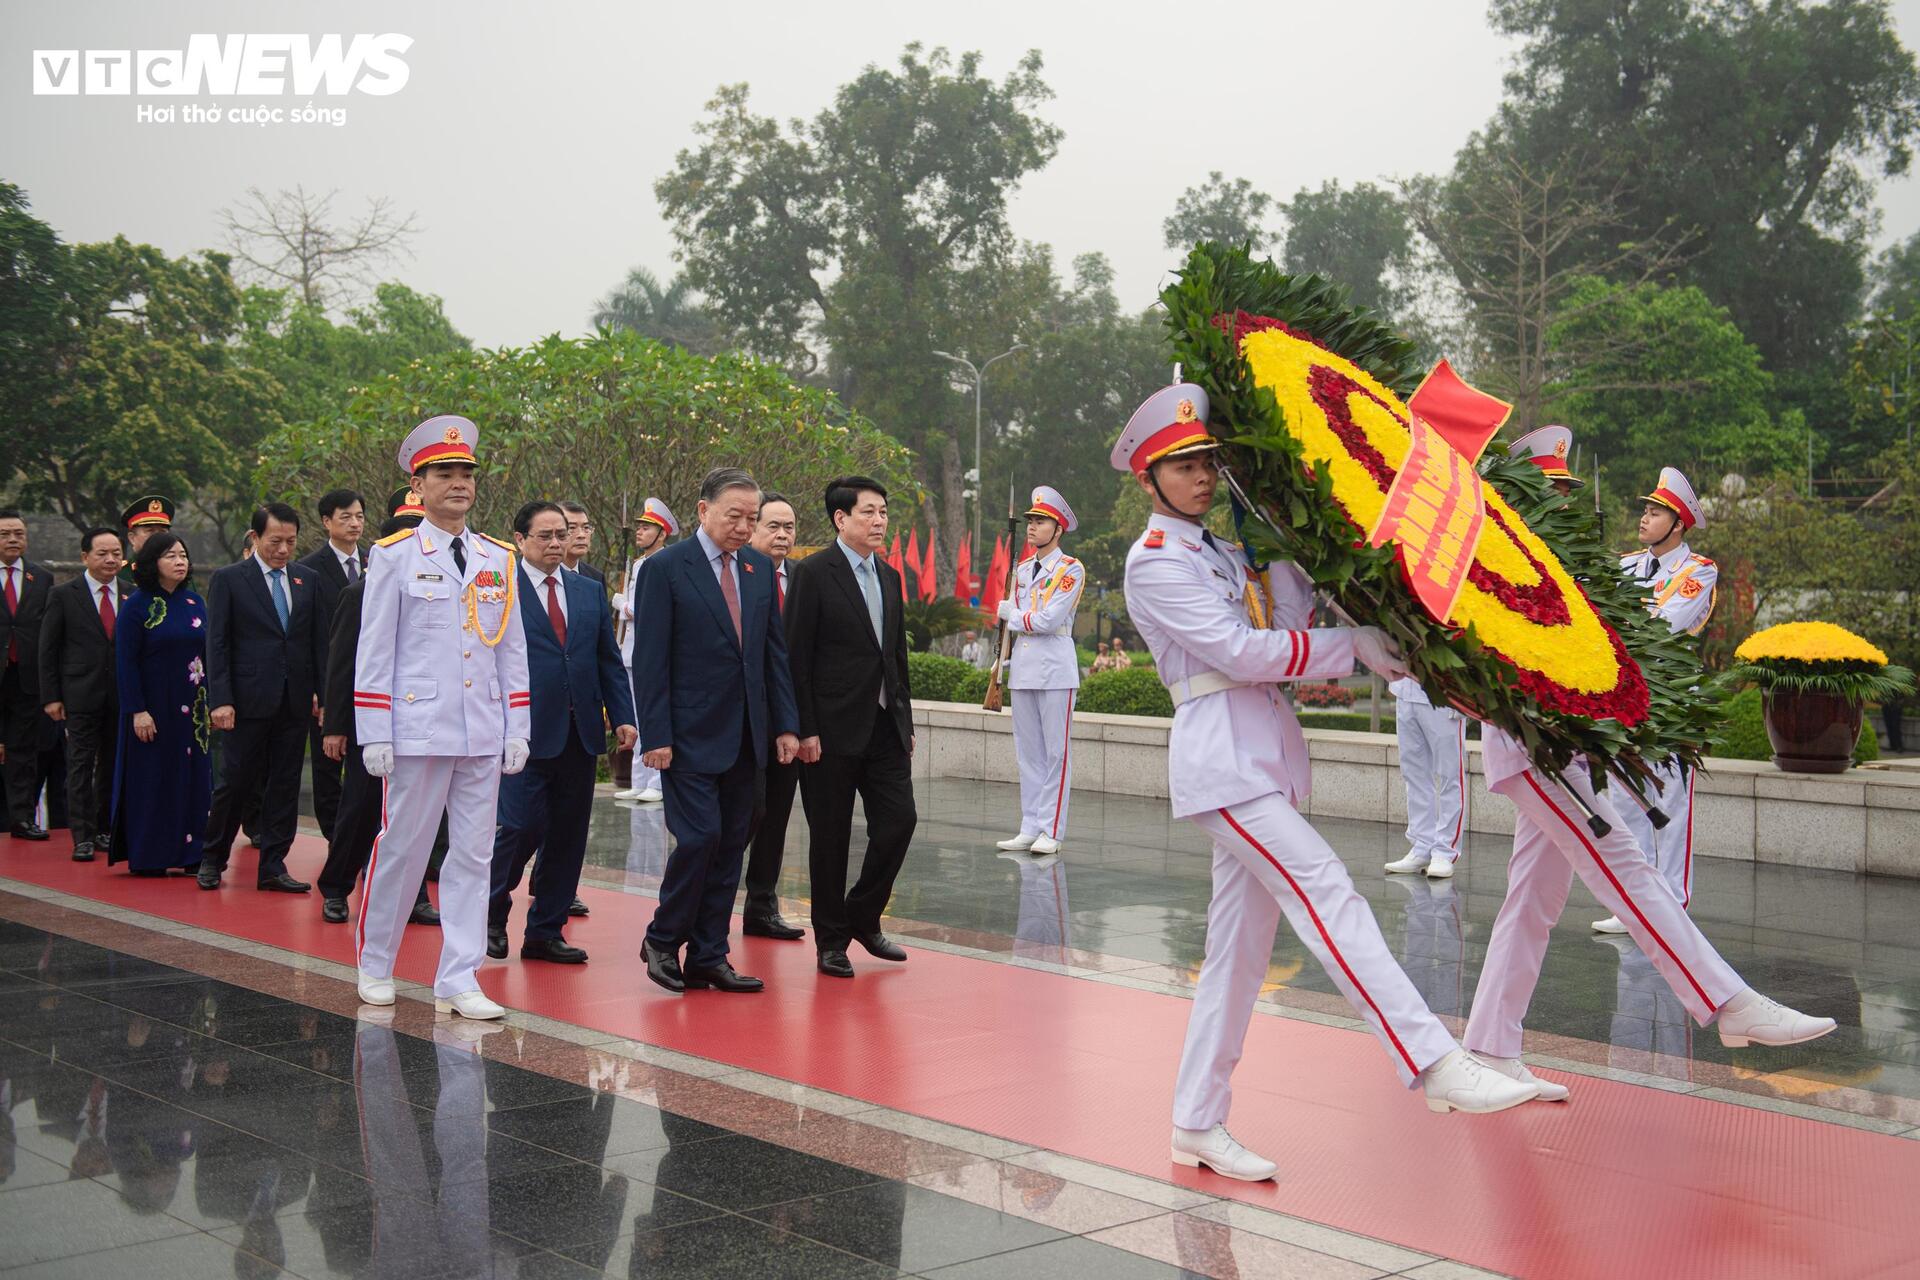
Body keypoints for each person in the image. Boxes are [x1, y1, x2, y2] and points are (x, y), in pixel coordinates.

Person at [1114, 379, 1536, 1184]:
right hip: (1223, 763)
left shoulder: (1222, 547)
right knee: (1327, 889)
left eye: (1209, 461)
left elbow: (1286, 620)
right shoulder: (1155, 561)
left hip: (1260, 757)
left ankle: (1197, 1121)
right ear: (1148, 479)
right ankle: (1433, 1061)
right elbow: (1239, 653)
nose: (1201, 476)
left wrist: (1292, 540)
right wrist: (1356, 648)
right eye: (1181, 466)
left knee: (1236, 955)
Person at [1463, 447, 1834, 1101]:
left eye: (1566, 491)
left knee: (1532, 903)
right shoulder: (1502, 566)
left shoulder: (1553, 567)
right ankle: (1727, 1002)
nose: (1564, 502)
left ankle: (1490, 1046)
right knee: (1625, 864)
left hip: (1564, 746)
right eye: (1550, 492)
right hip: (1534, 747)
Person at [353, 416, 530, 1019]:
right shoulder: (395, 555)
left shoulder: (495, 558)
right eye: (444, 474)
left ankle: (459, 976)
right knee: (403, 848)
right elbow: (375, 647)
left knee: (474, 856)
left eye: (465, 475)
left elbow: (510, 648)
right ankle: (376, 962)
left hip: (480, 728)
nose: (458, 484)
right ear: (418, 485)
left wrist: (518, 726)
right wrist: (373, 729)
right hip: (417, 729)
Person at [634, 469, 797, 994]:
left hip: (747, 734)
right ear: (703, 511)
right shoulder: (665, 568)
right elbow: (650, 658)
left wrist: (785, 726)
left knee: (730, 846)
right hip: (686, 735)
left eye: (753, 517)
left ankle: (709, 954)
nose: (744, 527)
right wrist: (655, 734)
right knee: (699, 837)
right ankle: (662, 938)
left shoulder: (757, 568)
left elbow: (773, 654)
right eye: (735, 516)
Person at [486, 501, 636, 964]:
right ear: (519, 539)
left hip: (580, 730)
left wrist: (623, 715)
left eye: (562, 534)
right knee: (519, 825)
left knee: (569, 835)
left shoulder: (588, 590)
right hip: (523, 732)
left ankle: (545, 931)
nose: (556, 543)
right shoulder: (500, 590)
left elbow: (606, 659)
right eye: (545, 535)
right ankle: (489, 909)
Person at [786, 475, 917, 980]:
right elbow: (796, 656)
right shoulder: (813, 574)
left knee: (899, 822)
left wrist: (903, 720)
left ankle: (863, 914)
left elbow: (896, 655)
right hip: (830, 732)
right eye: (869, 512)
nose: (880, 520)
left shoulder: (889, 577)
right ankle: (832, 940)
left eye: (883, 511)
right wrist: (805, 728)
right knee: (830, 839)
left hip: (884, 728)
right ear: (841, 519)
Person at [1593, 465, 1718, 932]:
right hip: (1631, 695)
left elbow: (1664, 624)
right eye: (1645, 509)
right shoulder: (1627, 564)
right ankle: (1637, 903)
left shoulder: (1698, 571)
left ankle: (1671, 902)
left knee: (1670, 800)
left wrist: (1622, 614)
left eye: (1655, 511)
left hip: (1672, 698)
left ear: (1678, 523)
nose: (1644, 518)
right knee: (1628, 801)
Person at [314, 499, 438, 927]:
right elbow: (342, 664)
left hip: (422, 720)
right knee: (361, 808)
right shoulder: (358, 594)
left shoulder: (439, 589)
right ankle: (336, 887)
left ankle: (415, 893)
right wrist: (336, 726)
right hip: (373, 722)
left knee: (418, 814)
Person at [195, 503, 325, 894]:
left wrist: (322, 692)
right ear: (255, 538)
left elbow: (316, 643)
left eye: (290, 541)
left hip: (294, 699)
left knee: (285, 784)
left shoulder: (307, 580)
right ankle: (212, 858)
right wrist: (220, 699)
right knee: (235, 782)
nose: (283, 550)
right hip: (246, 699)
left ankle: (273, 864)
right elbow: (216, 643)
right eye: (275, 541)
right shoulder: (229, 580)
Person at [109, 532, 213, 875]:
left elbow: (208, 655)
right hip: (153, 708)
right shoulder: (136, 606)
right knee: (154, 778)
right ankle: (151, 853)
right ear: (153, 563)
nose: (180, 562)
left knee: (193, 777)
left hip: (192, 707)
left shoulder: (195, 603)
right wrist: (137, 710)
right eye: (170, 556)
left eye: (183, 555)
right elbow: (126, 663)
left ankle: (193, 852)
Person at [993, 486, 1086, 857]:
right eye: (1030, 521)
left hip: (1056, 669)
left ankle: (1052, 829)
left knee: (1056, 754)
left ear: (1058, 529)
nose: (1032, 527)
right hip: (1026, 669)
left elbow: (1048, 620)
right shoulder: (1021, 570)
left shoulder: (1069, 569)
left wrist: (1011, 615)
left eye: (1040, 522)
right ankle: (1030, 825)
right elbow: (1018, 628)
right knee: (1028, 753)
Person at [742, 490, 806, 941]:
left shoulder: (805, 578)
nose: (782, 535)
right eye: (773, 526)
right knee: (746, 813)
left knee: (777, 814)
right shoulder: (737, 573)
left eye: (789, 527)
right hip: (744, 718)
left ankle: (762, 907)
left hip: (790, 720)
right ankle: (699, 901)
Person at [40, 527, 126, 861]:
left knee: (111, 765)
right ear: (85, 556)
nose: (110, 559)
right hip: (79, 695)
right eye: (102, 553)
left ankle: (105, 829)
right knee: (80, 764)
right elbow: (48, 650)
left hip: (120, 696)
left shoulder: (131, 594)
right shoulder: (64, 595)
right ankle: (82, 835)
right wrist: (51, 696)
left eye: (116, 553)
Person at [296, 488, 368, 842]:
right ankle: (335, 839)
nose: (354, 524)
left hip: (371, 683)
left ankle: (359, 839)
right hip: (328, 684)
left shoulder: (378, 561)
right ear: (326, 522)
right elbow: (306, 635)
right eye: (345, 517)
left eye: (359, 517)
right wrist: (314, 688)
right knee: (328, 765)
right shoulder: (308, 570)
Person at [615, 497, 677, 804]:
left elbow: (650, 610)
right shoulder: (638, 564)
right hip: (630, 651)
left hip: (650, 652)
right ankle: (639, 779)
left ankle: (658, 780)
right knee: (636, 720)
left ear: (662, 534)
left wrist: (622, 606)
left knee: (651, 716)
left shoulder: (665, 564)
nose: (640, 532)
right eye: (638, 527)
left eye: (647, 527)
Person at [0, 510, 53, 840]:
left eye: (18, 533)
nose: (13, 539)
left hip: (27, 676)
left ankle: (21, 818)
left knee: (23, 751)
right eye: (5, 534)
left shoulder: (41, 578)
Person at [1383, 674, 1466, 878]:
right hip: (1406, 690)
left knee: (1449, 774)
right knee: (1413, 773)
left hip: (1444, 692)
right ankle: (1422, 846)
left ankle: (1445, 851)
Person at [558, 501, 606, 585]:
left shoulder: (596, 578)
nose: (581, 535)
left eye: (586, 527)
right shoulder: (545, 576)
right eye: (572, 528)